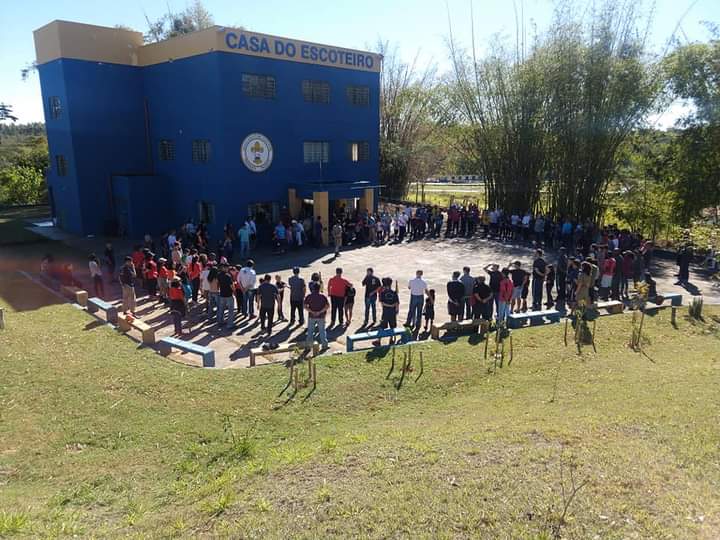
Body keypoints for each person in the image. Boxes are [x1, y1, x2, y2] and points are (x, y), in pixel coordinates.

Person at [373, 277, 400, 346]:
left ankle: (378, 340)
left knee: (382, 327)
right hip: (392, 312)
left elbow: (382, 303)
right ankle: (391, 339)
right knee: (393, 326)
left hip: (385, 312)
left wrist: (388, 306)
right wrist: (396, 309)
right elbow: (397, 303)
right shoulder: (394, 293)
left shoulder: (383, 292)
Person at [304, 281, 329, 350]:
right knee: (322, 331)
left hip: (311, 316)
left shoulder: (309, 296)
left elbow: (305, 306)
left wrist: (312, 311)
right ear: (319, 288)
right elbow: (327, 306)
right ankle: (324, 345)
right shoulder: (323, 296)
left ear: (312, 288)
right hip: (321, 316)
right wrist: (320, 312)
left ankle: (308, 346)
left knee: (310, 331)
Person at [216, 263, 235, 329]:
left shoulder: (219, 275)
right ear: (224, 268)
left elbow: (217, 283)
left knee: (221, 309)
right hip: (229, 295)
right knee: (230, 310)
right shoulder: (228, 276)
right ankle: (230, 324)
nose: (228, 269)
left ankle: (220, 322)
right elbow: (231, 285)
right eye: (227, 268)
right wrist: (234, 292)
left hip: (222, 294)